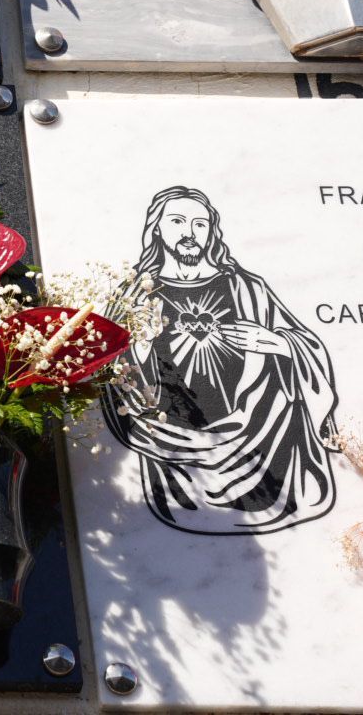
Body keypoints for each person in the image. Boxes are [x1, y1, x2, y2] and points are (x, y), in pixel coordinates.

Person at [105, 187, 339, 535]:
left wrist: (278, 342)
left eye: (200, 224)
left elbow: (307, 345)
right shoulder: (135, 292)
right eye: (178, 221)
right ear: (157, 228)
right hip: (177, 437)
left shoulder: (248, 287)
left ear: (212, 231)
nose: (189, 232)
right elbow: (110, 371)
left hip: (263, 433)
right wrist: (141, 345)